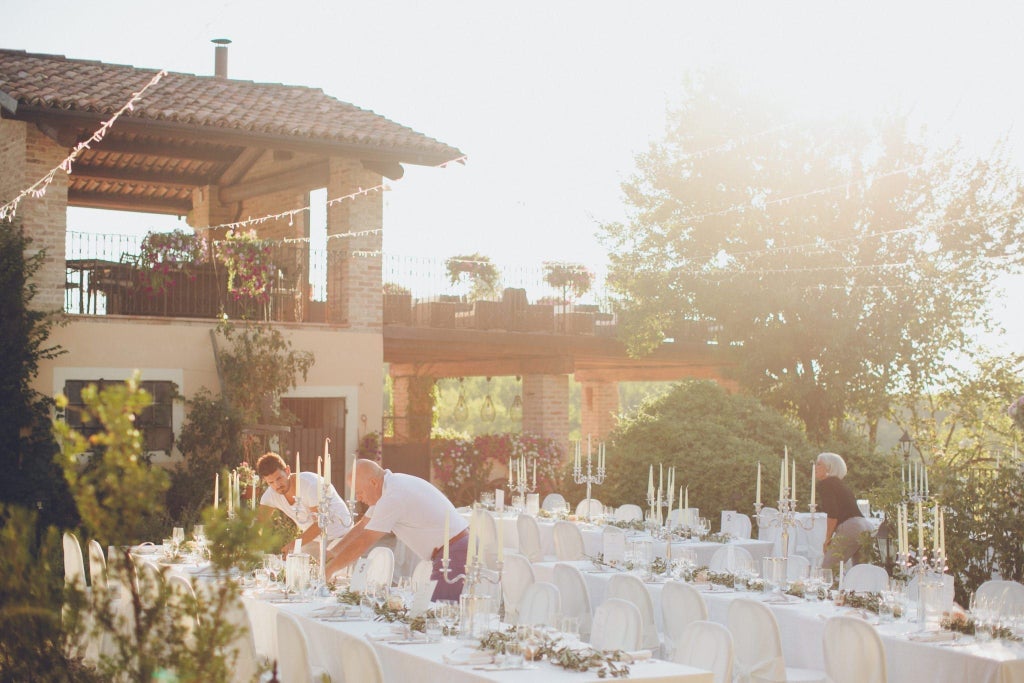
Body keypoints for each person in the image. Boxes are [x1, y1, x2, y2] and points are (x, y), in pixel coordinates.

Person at [325, 459, 469, 601]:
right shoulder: (389, 487)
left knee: (438, 612)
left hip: (454, 551)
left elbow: (363, 541)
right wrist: (332, 552)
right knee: (434, 612)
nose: (357, 498)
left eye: (359, 492)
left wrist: (329, 570)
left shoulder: (393, 495)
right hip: (451, 549)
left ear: (373, 483)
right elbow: (362, 526)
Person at [255, 452, 352, 557]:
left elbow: (320, 524)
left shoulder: (311, 484)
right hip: (314, 539)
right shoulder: (271, 494)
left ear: (287, 471)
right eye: (271, 482)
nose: (277, 485)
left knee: (329, 571)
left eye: (279, 478)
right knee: (295, 567)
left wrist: (293, 545)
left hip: (340, 535)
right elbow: (259, 522)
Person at [815, 451, 874, 570]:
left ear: (829, 467)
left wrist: (827, 539)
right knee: (860, 571)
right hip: (866, 526)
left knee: (828, 568)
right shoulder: (840, 484)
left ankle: (828, 588)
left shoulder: (826, 484)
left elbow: (832, 513)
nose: (815, 467)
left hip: (852, 527)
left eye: (819, 464)